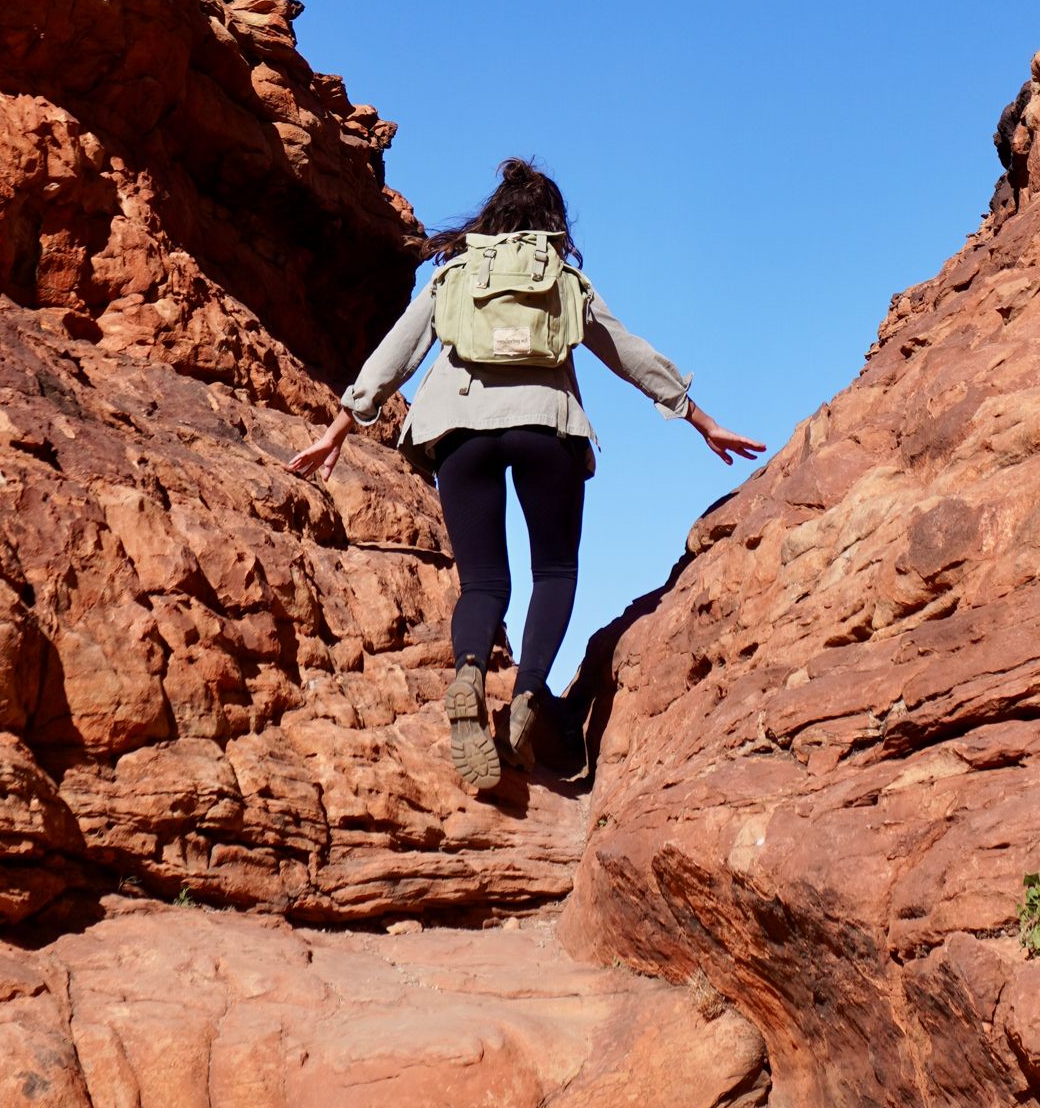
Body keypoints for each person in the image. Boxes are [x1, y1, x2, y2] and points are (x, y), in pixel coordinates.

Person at [286, 158, 764, 791]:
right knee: (556, 573)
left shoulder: (453, 274)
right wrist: (700, 418)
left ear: (492, 215)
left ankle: (467, 675)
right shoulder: (563, 280)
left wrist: (337, 431)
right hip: (547, 429)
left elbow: (393, 356)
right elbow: (629, 352)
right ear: (553, 225)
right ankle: (529, 696)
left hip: (461, 429)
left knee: (484, 582)